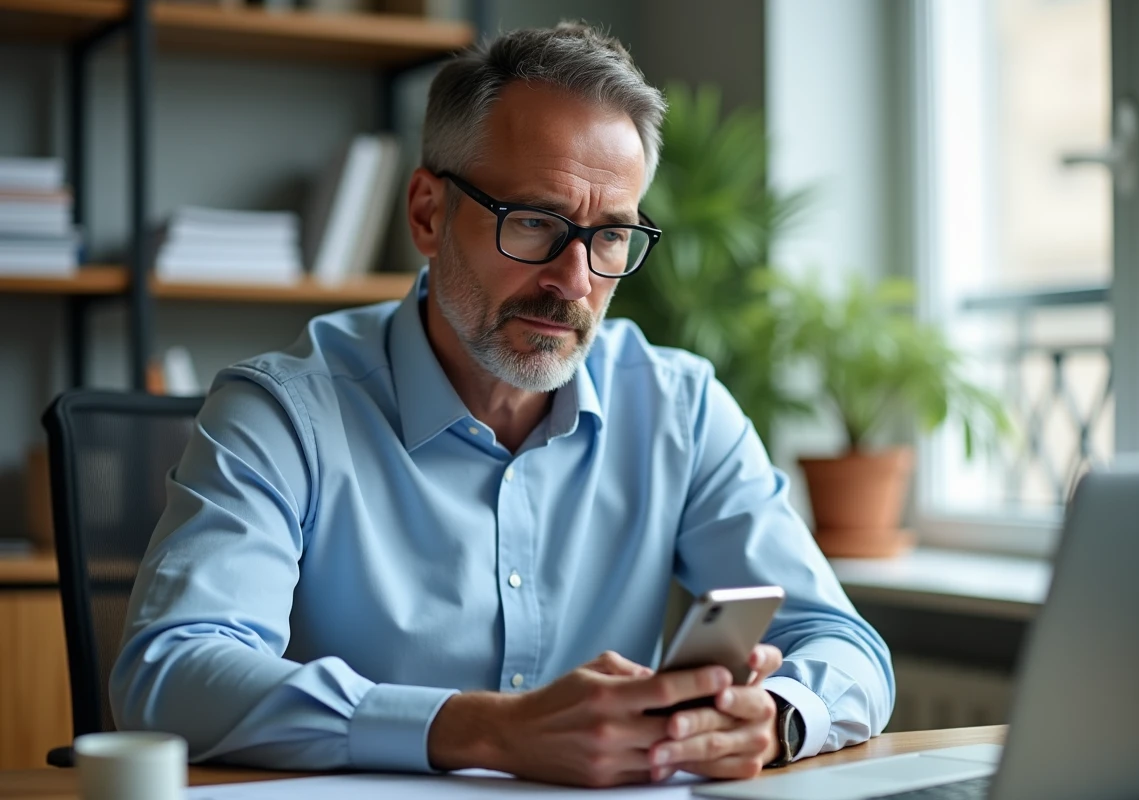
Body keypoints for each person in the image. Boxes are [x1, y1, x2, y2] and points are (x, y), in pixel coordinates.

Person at [111, 22, 894, 788]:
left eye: (610, 237)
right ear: (427, 213)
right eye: (534, 222)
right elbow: (169, 671)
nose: (575, 281)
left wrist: (778, 714)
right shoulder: (283, 413)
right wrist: (486, 729)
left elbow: (839, 642)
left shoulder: (679, 407)